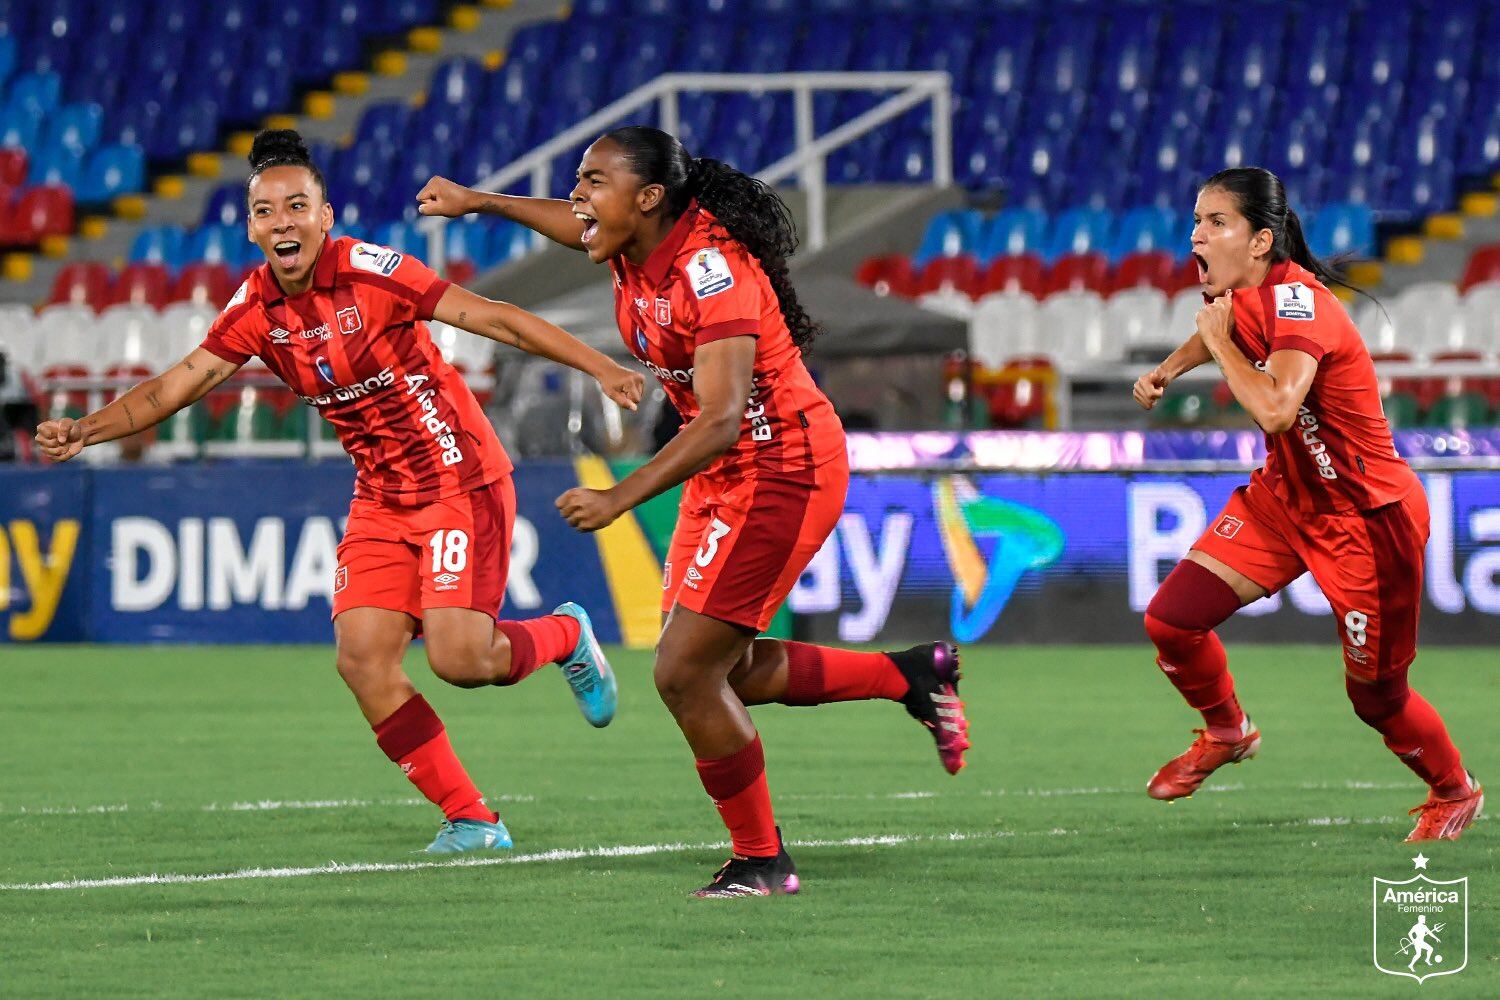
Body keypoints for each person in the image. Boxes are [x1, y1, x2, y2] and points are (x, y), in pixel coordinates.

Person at [34, 130, 645, 854]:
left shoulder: (373, 273)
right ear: (252, 227)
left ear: (326, 217)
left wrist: (597, 366)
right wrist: (88, 429)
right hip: (381, 498)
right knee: (361, 658)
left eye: (298, 206)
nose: (283, 222)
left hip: (458, 479)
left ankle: (568, 635)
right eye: (267, 211)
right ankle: (473, 819)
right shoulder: (256, 309)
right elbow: (176, 385)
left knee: (461, 660)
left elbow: (493, 317)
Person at [418, 126, 972, 897]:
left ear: (648, 199)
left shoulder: (712, 272)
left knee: (683, 671)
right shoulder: (628, 242)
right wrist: (482, 203)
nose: (578, 194)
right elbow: (569, 225)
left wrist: (621, 495)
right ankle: (910, 675)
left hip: (785, 468)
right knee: (726, 672)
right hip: (726, 476)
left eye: (593, 180)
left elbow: (717, 419)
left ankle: (762, 860)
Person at [1132, 166, 1482, 842]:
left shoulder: (1303, 307)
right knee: (1173, 622)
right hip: (1286, 501)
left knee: (1375, 700)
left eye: (1215, 223)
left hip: (1365, 521)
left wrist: (1218, 342)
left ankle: (1453, 789)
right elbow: (1220, 331)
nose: (1196, 235)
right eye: (1196, 220)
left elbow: (1275, 409)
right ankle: (1229, 731)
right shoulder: (1245, 296)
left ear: (1260, 241)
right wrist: (1169, 370)